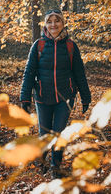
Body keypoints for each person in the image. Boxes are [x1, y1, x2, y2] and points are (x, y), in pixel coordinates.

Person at [20, 9, 91, 178]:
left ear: (63, 23)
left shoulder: (71, 46)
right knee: (44, 134)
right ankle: (43, 161)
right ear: (45, 24)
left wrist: (85, 96)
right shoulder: (38, 45)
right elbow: (29, 72)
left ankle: (55, 168)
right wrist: (25, 97)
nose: (53, 25)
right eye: (50, 21)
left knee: (58, 134)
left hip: (65, 98)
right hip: (43, 97)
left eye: (57, 21)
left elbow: (79, 73)